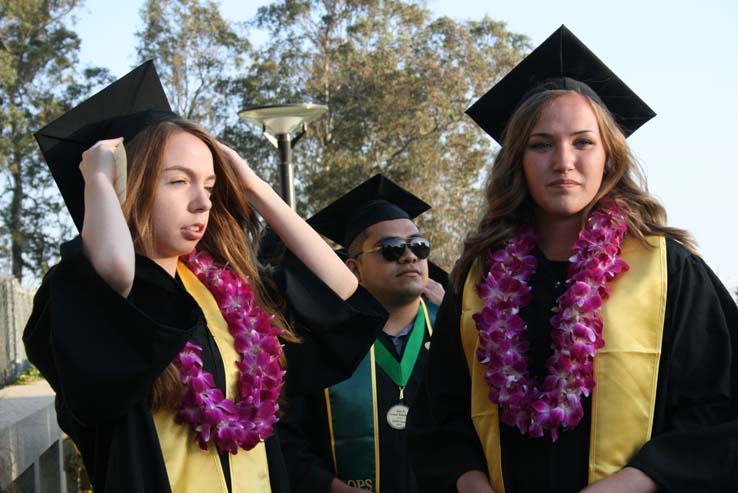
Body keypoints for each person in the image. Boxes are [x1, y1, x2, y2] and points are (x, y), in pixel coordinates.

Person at [23, 61, 386, 493]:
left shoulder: (228, 297)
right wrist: (99, 181)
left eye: (211, 186)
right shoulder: (79, 295)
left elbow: (345, 294)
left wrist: (255, 188)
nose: (202, 203)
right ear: (129, 186)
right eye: (179, 181)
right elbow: (118, 273)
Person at [407, 25, 738, 493]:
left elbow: (720, 412)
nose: (563, 161)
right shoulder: (479, 278)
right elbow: (440, 415)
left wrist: (633, 482)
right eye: (541, 144)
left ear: (610, 156)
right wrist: (472, 485)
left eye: (583, 142)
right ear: (517, 159)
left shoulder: (668, 270)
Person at [276, 174, 445, 493]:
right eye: (391, 248)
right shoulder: (316, 343)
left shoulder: (455, 332)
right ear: (354, 269)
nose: (410, 256)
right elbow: (286, 441)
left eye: (419, 246)